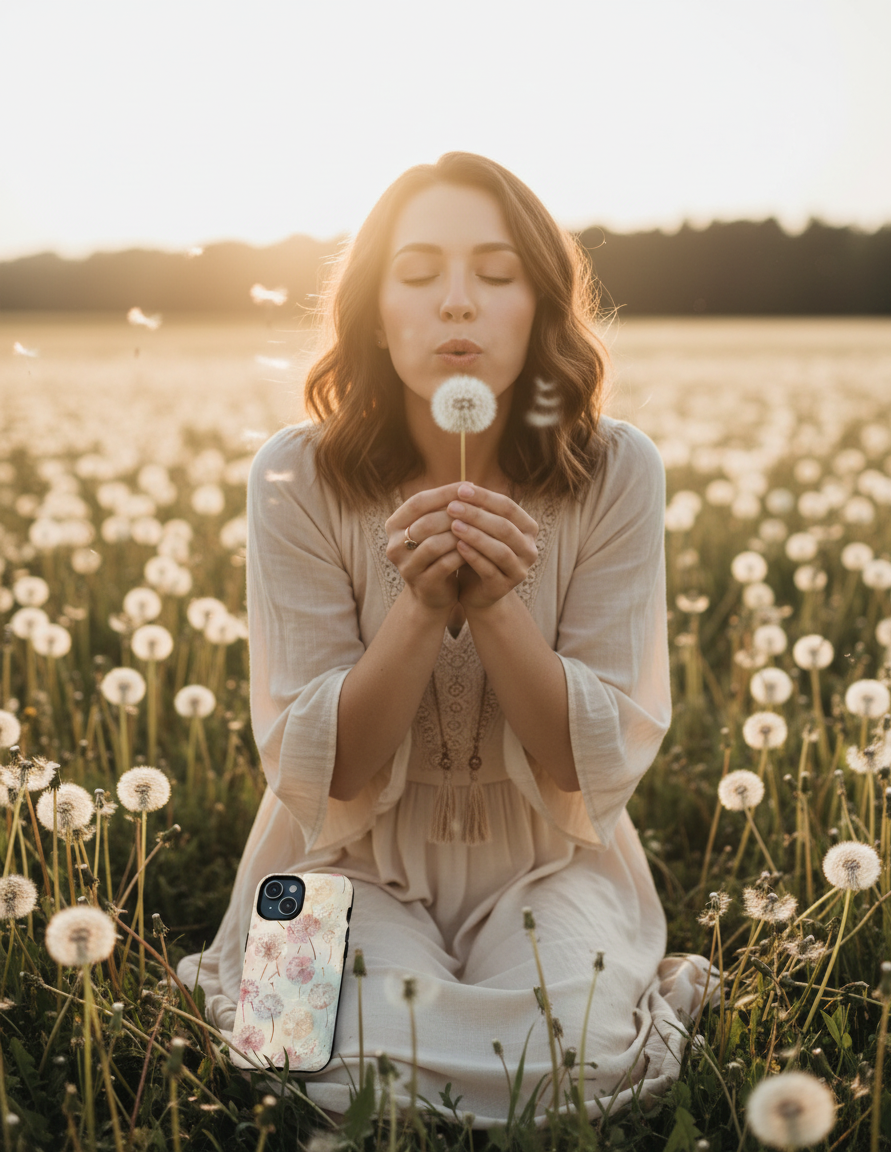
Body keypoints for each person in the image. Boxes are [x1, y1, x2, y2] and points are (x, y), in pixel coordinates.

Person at [177, 151, 710, 1128]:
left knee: (571, 1065)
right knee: (309, 1052)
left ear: (540, 309)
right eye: (418, 274)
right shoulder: (294, 473)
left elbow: (581, 766)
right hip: (334, 852)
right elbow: (331, 773)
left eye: (496, 275)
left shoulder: (615, 468)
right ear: (375, 315)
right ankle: (294, 987)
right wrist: (420, 608)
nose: (457, 301)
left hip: (550, 855)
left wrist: (498, 605)